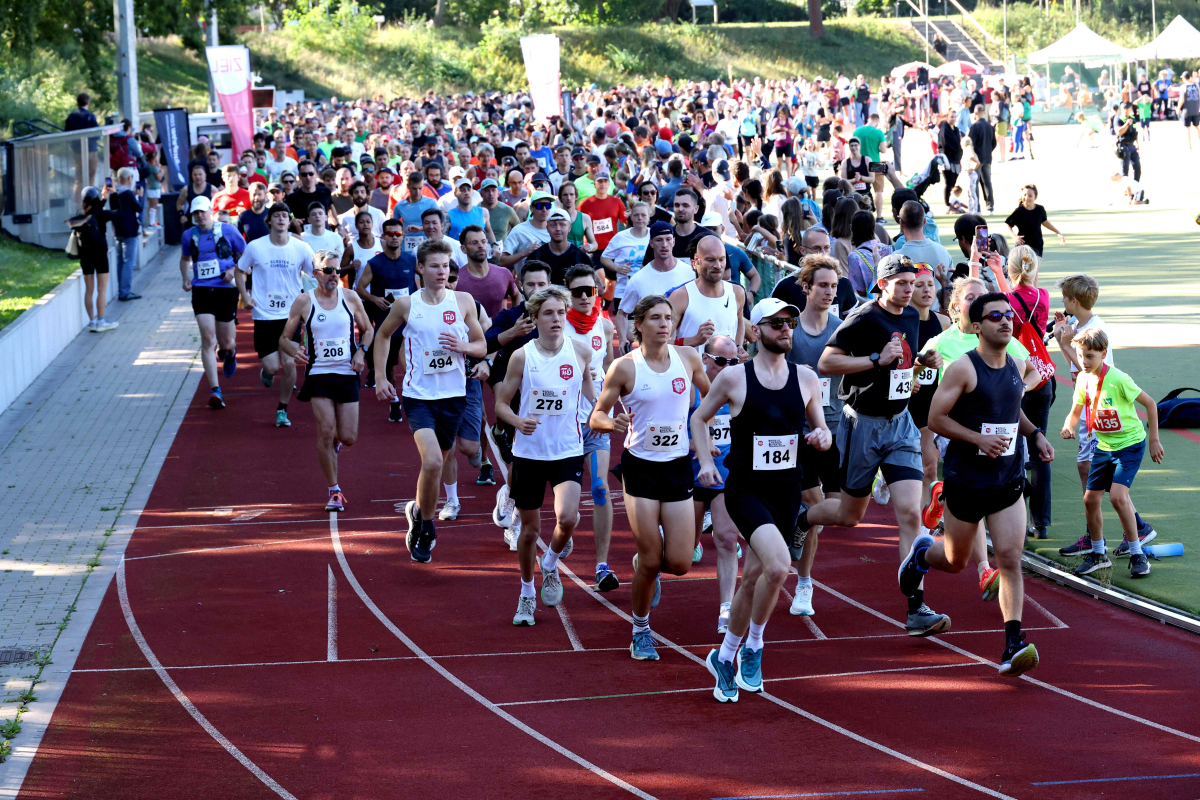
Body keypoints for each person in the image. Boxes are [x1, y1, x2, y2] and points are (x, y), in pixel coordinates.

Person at [693, 297, 832, 701]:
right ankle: (754, 645)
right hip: (746, 490)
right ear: (756, 332)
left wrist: (821, 437)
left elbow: (820, 429)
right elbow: (700, 419)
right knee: (778, 566)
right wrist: (705, 462)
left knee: (753, 578)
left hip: (786, 490)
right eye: (775, 323)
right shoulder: (734, 378)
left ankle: (725, 656)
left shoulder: (805, 377)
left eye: (789, 322)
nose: (785, 328)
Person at [801, 254, 947, 636]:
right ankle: (803, 518)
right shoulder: (864, 317)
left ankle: (916, 609)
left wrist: (922, 366)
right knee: (850, 515)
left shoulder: (914, 317)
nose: (909, 290)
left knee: (910, 514)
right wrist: (873, 358)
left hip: (900, 425)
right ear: (882, 284)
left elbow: (901, 374)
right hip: (861, 426)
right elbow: (827, 363)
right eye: (901, 283)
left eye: (912, 283)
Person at [922, 292, 1056, 676]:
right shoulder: (963, 369)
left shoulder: (1016, 364)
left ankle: (1012, 643)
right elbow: (936, 418)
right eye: (995, 315)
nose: (1005, 320)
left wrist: (1035, 435)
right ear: (977, 326)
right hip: (966, 481)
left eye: (1009, 314)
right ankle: (919, 557)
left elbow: (1013, 409)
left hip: (1007, 479)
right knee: (954, 560)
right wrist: (978, 439)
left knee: (1011, 558)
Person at [588, 295, 709, 661]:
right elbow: (596, 416)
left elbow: (710, 396)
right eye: (655, 318)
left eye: (668, 318)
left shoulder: (688, 359)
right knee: (654, 556)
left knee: (681, 562)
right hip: (640, 467)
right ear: (638, 325)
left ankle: (644, 566)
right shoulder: (625, 367)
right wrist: (612, 422)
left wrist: (702, 434)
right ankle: (640, 628)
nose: (663, 324)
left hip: (676, 467)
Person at [373, 240, 487, 564]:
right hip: (419, 396)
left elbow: (480, 344)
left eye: (447, 266)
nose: (442, 272)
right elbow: (382, 336)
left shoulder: (463, 301)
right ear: (420, 269)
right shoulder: (406, 305)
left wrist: (464, 346)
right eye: (435, 266)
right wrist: (382, 377)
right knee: (435, 461)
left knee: (433, 468)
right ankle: (426, 523)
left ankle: (416, 510)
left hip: (454, 396)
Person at [494, 287, 596, 625]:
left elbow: (592, 399)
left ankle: (549, 562)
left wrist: (608, 417)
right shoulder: (522, 356)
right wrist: (518, 421)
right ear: (535, 318)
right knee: (529, 529)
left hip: (567, 448)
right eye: (548, 313)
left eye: (560, 313)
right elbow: (501, 405)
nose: (556, 319)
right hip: (530, 452)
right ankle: (525, 592)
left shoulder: (580, 352)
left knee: (569, 518)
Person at [1051, 273, 1157, 558]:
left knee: (1091, 470)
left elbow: (1094, 374)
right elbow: (1077, 370)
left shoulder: (1096, 331)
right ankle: (1132, 527)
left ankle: (1110, 534)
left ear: (1074, 300)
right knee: (1089, 470)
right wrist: (1065, 336)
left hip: (1099, 410)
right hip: (1086, 405)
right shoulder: (1076, 324)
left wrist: (1064, 344)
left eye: (1064, 298)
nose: (1061, 302)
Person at [1060, 327, 1164, 579]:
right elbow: (1076, 409)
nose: (1084, 361)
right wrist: (1068, 426)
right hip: (1104, 447)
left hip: (1130, 445)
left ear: (1103, 354)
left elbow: (1150, 403)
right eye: (1081, 355)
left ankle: (1138, 554)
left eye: (1090, 356)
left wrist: (1154, 440)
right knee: (1090, 499)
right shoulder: (1084, 379)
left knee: (1118, 497)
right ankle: (1098, 554)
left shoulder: (1118, 379)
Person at [279, 250, 374, 511]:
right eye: (329, 270)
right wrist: (293, 350)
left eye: (337, 271)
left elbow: (368, 330)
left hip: (346, 373)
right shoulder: (303, 301)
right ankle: (334, 490)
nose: (334, 275)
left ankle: (333, 447)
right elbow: (284, 338)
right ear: (316, 274)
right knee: (326, 431)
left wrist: (361, 352)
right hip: (318, 373)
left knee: (348, 437)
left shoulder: (350, 297)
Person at [783, 257, 847, 616]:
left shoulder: (842, 329)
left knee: (837, 510)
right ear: (806, 287)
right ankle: (804, 583)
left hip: (836, 431)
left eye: (834, 286)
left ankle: (801, 524)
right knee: (814, 498)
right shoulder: (790, 331)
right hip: (799, 433)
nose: (829, 292)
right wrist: (797, 373)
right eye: (823, 285)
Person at [563, 265, 621, 592]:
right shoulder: (558, 329)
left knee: (600, 488)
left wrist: (607, 409)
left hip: (596, 420)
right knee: (566, 507)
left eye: (590, 291)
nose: (585, 297)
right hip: (563, 426)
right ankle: (563, 527)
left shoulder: (605, 326)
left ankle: (601, 566)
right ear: (567, 294)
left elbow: (610, 370)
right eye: (578, 292)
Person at [235, 202, 316, 427]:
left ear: (289, 221)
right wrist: (245, 295)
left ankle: (282, 409)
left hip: (291, 315)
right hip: (263, 315)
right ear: (269, 221)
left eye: (285, 216)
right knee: (272, 366)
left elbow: (316, 272)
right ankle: (267, 372)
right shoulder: (255, 246)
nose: (281, 219)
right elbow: (239, 270)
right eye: (277, 216)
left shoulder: (300, 247)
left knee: (290, 364)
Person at [436, 260, 493, 519]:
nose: (447, 284)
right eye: (444, 278)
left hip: (467, 379)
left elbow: (490, 339)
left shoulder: (472, 306)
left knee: (469, 448)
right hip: (435, 384)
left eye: (452, 279)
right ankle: (451, 501)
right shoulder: (418, 306)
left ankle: (478, 450)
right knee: (445, 447)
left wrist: (485, 361)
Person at [179, 195, 247, 409]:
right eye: (195, 213)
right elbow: (185, 258)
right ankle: (215, 390)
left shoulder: (228, 230)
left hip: (226, 290)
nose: (199, 216)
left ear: (211, 210)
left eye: (202, 211)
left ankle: (230, 353)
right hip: (201, 290)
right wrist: (185, 278)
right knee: (208, 338)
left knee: (226, 343)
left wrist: (232, 271)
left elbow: (245, 255)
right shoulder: (189, 235)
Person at [1005, 247, 1053, 539]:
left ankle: (1015, 519)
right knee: (1040, 449)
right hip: (1043, 375)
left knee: (1011, 450)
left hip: (1016, 374)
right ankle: (1041, 522)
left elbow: (1007, 309)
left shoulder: (1005, 300)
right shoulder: (1044, 296)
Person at [357, 218, 418, 420]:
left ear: (402, 237)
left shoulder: (410, 260)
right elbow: (359, 288)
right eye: (390, 234)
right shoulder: (374, 263)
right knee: (390, 366)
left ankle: (416, 397)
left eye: (398, 234)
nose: (394, 237)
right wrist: (375, 299)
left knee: (412, 362)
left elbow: (427, 275)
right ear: (382, 237)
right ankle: (394, 401)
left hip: (411, 323)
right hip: (388, 323)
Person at [615, 222, 694, 350]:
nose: (664, 245)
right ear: (651, 243)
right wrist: (623, 340)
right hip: (651, 351)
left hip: (683, 350)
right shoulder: (638, 279)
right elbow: (622, 313)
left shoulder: (690, 274)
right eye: (659, 240)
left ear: (674, 241)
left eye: (668, 240)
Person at [669, 236, 745, 351]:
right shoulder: (680, 296)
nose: (718, 266)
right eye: (711, 260)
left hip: (728, 369)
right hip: (691, 368)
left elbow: (739, 323)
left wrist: (738, 348)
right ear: (696, 260)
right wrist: (693, 340)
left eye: (721, 259)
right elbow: (660, 343)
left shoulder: (737, 292)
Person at [68, 187, 118, 332]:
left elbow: (92, 211)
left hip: (85, 256)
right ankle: (101, 320)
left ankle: (92, 321)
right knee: (101, 289)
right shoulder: (101, 215)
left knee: (89, 289)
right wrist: (113, 195)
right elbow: (118, 213)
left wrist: (104, 198)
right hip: (100, 254)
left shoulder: (79, 217)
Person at [600, 201, 651, 311]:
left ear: (649, 216)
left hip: (648, 289)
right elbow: (604, 258)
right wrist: (617, 268)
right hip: (624, 290)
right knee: (625, 325)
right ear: (630, 217)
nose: (640, 218)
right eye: (636, 215)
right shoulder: (621, 237)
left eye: (643, 215)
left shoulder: (654, 236)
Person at [109, 167, 144, 302]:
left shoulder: (113, 193)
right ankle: (124, 292)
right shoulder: (128, 194)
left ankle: (121, 290)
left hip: (117, 231)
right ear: (128, 179)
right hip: (130, 231)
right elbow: (139, 208)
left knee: (120, 262)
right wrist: (140, 196)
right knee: (129, 262)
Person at [530, 208, 589, 286]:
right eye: (553, 225)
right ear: (547, 228)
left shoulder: (581, 258)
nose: (558, 229)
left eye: (562, 225)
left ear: (569, 228)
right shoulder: (536, 256)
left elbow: (593, 285)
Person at [1004, 184, 1064, 258]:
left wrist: (1058, 232)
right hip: (1023, 246)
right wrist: (1014, 237)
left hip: (1037, 245)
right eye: (1024, 195)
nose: (1026, 198)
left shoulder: (1040, 210)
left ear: (1035, 197)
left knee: (1035, 269)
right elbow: (1008, 225)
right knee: (1024, 268)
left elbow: (1045, 222)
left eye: (1030, 196)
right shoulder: (1019, 211)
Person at [498, 191, 554, 269]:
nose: (544, 209)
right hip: (526, 280)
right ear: (531, 208)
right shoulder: (519, 230)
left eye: (547, 206)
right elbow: (502, 261)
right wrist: (525, 252)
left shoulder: (555, 231)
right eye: (540, 206)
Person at [968, 105, 996, 213]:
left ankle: (977, 208)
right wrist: (988, 151)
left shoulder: (974, 127)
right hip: (987, 158)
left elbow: (971, 144)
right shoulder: (990, 127)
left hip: (976, 159)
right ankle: (990, 207)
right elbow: (994, 143)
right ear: (984, 112)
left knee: (975, 183)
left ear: (975, 113)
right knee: (987, 183)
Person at [1177, 71, 1199, 149]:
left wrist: (1178, 108)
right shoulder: (1196, 85)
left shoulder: (1183, 86)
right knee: (1196, 126)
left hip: (1187, 110)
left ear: (1184, 78)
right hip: (1196, 109)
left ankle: (1189, 145)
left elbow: (1182, 99)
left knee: (1187, 127)